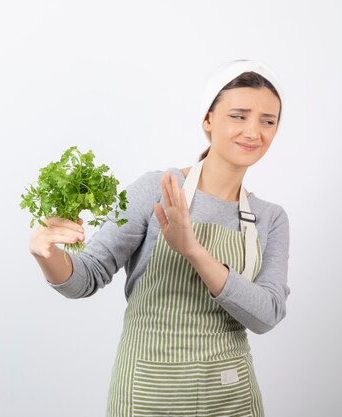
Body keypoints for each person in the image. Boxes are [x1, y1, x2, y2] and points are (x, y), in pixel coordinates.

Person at [29, 59, 290, 417]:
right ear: (209, 120)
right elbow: (85, 278)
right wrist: (47, 254)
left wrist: (193, 251)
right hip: (149, 394)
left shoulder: (270, 218)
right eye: (239, 115)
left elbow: (266, 316)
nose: (253, 132)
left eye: (268, 121)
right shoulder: (157, 189)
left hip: (229, 396)